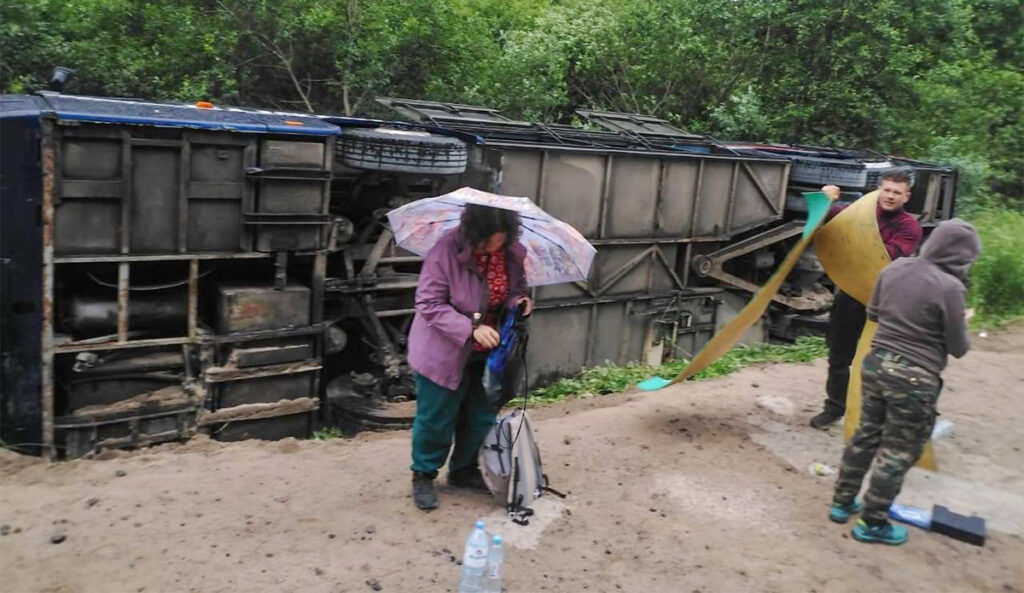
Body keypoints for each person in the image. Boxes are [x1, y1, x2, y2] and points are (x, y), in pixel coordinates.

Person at [828, 219, 980, 545]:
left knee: (865, 436)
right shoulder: (950, 287)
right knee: (897, 451)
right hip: (915, 377)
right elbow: (959, 347)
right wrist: (962, 321)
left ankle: (842, 502)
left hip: (876, 364)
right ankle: (873, 523)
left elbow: (873, 314)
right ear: (961, 255)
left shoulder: (895, 269)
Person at [407, 204, 533, 511]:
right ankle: (423, 474)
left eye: (500, 240)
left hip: (492, 352)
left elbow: (516, 289)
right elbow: (428, 302)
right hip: (444, 349)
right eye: (489, 241)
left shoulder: (512, 253)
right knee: (437, 416)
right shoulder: (446, 250)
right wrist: (470, 329)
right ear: (473, 232)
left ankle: (463, 470)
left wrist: (521, 301)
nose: (494, 247)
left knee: (480, 414)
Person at [810, 170, 923, 429]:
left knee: (879, 362)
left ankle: (873, 416)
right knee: (839, 356)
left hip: (885, 303)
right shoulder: (861, 213)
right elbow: (821, 215)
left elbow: (883, 257)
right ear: (879, 190)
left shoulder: (909, 227)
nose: (890, 196)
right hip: (850, 296)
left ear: (907, 196)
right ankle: (835, 407)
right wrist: (825, 199)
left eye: (897, 192)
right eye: (887, 190)